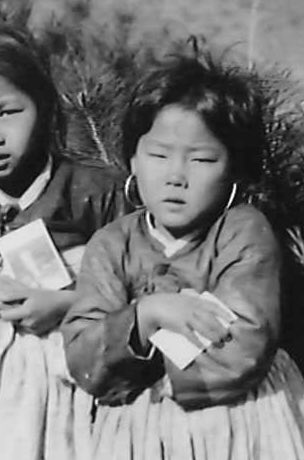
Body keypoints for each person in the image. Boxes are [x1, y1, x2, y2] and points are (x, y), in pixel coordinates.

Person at [62, 44, 304, 459]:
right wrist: (145, 315)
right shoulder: (112, 243)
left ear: (235, 170)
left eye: (202, 159)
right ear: (132, 159)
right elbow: (83, 351)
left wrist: (169, 376)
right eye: (157, 154)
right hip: (141, 427)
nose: (176, 176)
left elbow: (247, 338)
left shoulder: (241, 232)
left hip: (238, 418)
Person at [0, 24, 126, 460]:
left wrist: (64, 304)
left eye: (8, 112)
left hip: (73, 388)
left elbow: (145, 289)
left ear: (46, 108)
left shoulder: (97, 192)